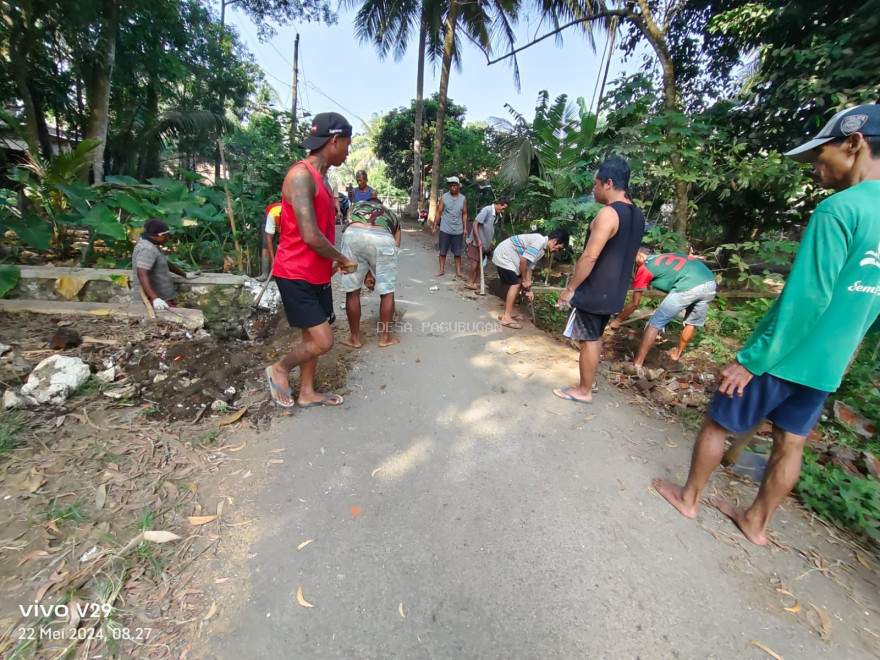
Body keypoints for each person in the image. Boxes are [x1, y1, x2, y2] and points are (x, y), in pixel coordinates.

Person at [653, 103, 880, 546]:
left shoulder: (840, 210)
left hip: (784, 355)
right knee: (790, 442)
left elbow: (808, 298)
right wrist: (847, 349)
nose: (815, 165)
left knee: (719, 422)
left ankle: (689, 498)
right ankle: (756, 522)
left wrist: (753, 360)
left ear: (854, 144)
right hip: (829, 364)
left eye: (822, 153)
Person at [265, 112, 358, 409]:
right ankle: (280, 368)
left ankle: (307, 392)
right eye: (347, 143)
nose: (348, 150)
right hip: (295, 272)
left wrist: (330, 264)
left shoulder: (322, 178)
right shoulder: (301, 175)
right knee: (323, 340)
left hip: (316, 273)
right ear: (335, 140)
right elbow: (310, 234)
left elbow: (322, 229)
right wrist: (341, 257)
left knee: (311, 335)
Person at [553, 156, 646, 404]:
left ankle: (583, 390)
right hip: (615, 292)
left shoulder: (609, 214)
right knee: (595, 336)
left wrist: (571, 288)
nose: (593, 190)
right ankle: (588, 382)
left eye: (596, 185)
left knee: (588, 339)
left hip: (596, 290)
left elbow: (591, 255)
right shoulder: (637, 215)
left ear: (608, 183)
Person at [611, 248, 717, 369]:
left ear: (640, 255)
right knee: (691, 322)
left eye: (634, 261)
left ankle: (637, 364)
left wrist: (618, 320)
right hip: (709, 282)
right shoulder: (662, 257)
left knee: (655, 323)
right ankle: (676, 354)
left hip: (688, 285)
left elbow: (635, 303)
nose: (634, 265)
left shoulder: (646, 267)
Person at [339, 200, 402, 348]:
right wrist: (383, 268)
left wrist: (367, 272)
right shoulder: (389, 213)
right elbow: (396, 244)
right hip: (383, 238)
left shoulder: (356, 207)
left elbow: (347, 228)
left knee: (352, 292)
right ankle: (385, 338)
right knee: (387, 292)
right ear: (380, 205)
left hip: (353, 235)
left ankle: (354, 338)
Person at [493, 229, 569, 329]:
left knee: (520, 283)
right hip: (505, 255)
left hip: (511, 258)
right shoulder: (539, 241)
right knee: (516, 284)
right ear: (555, 241)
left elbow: (529, 267)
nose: (557, 250)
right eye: (559, 248)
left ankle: (508, 312)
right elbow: (523, 260)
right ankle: (506, 317)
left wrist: (529, 288)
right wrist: (524, 280)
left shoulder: (541, 251)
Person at [132, 219, 198, 311]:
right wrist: (155, 299)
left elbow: (163, 262)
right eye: (166, 236)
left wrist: (185, 274)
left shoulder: (153, 245)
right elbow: (142, 274)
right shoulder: (147, 249)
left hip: (163, 298)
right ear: (157, 236)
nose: (168, 238)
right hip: (153, 302)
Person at [465, 197, 509, 292]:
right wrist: (478, 239)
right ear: (498, 204)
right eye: (503, 208)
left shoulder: (496, 215)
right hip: (476, 242)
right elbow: (475, 223)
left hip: (485, 244)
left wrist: (491, 243)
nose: (503, 210)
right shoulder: (487, 210)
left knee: (480, 264)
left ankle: (476, 283)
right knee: (474, 264)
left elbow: (490, 229)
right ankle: (469, 282)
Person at [432, 176, 468, 278]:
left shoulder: (463, 199)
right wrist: (434, 226)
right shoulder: (444, 198)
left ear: (458, 186)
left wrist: (465, 228)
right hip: (445, 229)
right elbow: (439, 212)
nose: (453, 187)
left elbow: (465, 213)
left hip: (458, 230)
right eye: (451, 185)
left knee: (458, 253)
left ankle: (458, 271)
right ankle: (441, 270)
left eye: (455, 185)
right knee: (443, 251)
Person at [262, 201, 283, 279]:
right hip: (268, 216)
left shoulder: (293, 216)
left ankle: (277, 274)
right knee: (266, 245)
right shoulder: (273, 214)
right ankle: (264, 274)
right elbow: (269, 239)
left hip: (278, 222)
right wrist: (273, 260)